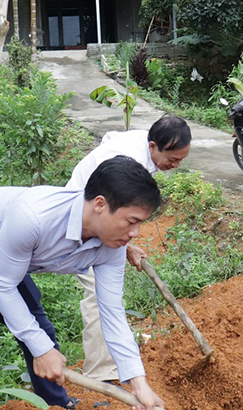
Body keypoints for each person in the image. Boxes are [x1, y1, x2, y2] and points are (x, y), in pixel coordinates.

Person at [0, 156, 166, 410]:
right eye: (131, 222)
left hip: (4, 260)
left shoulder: (112, 246)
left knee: (41, 331)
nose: (135, 234)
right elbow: (1, 285)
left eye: (141, 223)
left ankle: (56, 403)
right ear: (100, 204)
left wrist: (140, 385)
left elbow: (113, 315)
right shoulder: (33, 218)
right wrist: (41, 350)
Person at [67, 116, 191, 382]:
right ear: (153, 146)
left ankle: (113, 366)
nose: (176, 165)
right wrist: (122, 244)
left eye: (181, 160)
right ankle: (102, 375)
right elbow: (103, 210)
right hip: (80, 226)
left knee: (108, 298)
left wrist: (126, 245)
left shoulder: (142, 147)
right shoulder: (123, 156)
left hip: (103, 225)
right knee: (100, 298)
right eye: (174, 159)